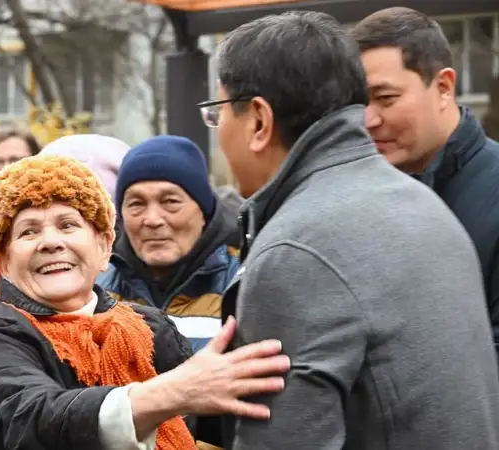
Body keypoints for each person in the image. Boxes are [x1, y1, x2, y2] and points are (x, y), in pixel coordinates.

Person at [204, 11, 499, 449]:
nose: (218, 130)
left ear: (260, 121)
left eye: (219, 112)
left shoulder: (296, 251)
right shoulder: (421, 202)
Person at [0, 154, 291, 450]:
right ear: (2, 261)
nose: (50, 242)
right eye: (28, 231)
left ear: (104, 246)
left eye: (67, 225)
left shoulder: (150, 329)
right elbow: (30, 418)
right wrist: (169, 393)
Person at [351, 7, 499, 360]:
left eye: (386, 98)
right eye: (357, 102)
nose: (368, 119)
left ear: (444, 87)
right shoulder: (359, 198)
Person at [98, 135, 240, 354]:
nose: (153, 219)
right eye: (136, 204)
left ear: (204, 211)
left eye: (170, 202)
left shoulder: (241, 282)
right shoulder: (98, 287)